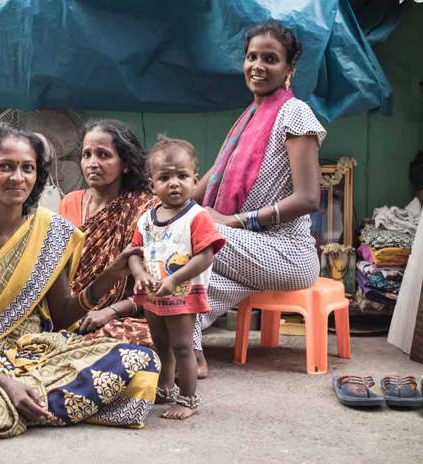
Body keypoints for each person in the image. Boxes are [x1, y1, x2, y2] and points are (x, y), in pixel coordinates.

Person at [0, 123, 160, 451]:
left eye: (28, 168)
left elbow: (64, 316)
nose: (18, 177)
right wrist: (3, 381)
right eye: (5, 166)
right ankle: (33, 404)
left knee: (142, 362)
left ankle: (11, 408)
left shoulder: (49, 231)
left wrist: (110, 275)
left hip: (37, 350)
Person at [192, 21, 326, 366]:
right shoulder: (251, 116)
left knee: (187, 235)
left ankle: (181, 346)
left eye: (271, 59)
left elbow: (309, 198)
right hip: (247, 250)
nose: (258, 66)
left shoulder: (294, 112)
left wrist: (231, 222)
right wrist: (168, 202)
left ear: (289, 69)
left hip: (287, 252)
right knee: (198, 275)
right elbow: (214, 174)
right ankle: (184, 343)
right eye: (252, 57)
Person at [129, 136, 225, 419]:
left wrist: (174, 280)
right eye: (165, 177)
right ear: (152, 184)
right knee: (160, 344)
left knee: (182, 346)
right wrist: (139, 274)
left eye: (182, 176)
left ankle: (188, 399)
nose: (174, 183)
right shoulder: (146, 219)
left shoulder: (197, 217)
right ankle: (165, 387)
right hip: (153, 294)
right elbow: (135, 251)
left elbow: (205, 255)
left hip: (182, 293)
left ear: (195, 181)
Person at [59, 119, 159, 348]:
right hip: (69, 309)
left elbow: (157, 285)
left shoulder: (146, 209)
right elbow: (60, 273)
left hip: (123, 315)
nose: (92, 163)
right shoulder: (70, 202)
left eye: (103, 155)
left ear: (125, 163)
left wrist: (110, 311)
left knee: (158, 338)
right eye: (87, 155)